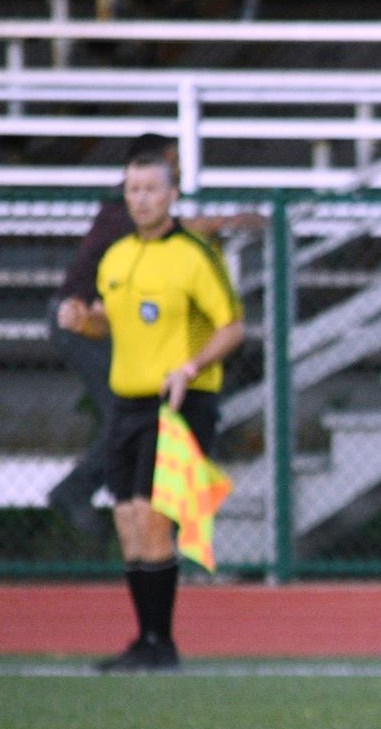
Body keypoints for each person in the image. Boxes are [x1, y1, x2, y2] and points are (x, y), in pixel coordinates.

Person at [55, 148, 246, 673]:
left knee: (157, 521)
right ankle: (145, 640)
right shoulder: (116, 256)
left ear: (172, 194)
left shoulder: (193, 255)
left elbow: (231, 327)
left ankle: (161, 643)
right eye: (132, 189)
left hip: (179, 405)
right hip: (126, 402)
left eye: (151, 189)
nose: (140, 199)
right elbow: (109, 324)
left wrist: (189, 366)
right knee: (128, 520)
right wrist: (82, 320)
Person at [46, 134, 263, 540]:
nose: (177, 168)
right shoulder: (125, 206)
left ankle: (152, 501)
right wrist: (230, 220)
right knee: (127, 409)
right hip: (79, 319)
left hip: (117, 319)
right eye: (172, 160)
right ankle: (84, 492)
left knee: (153, 411)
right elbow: (176, 229)